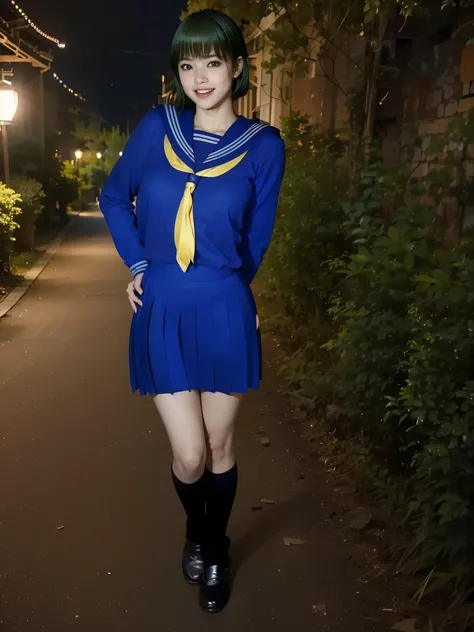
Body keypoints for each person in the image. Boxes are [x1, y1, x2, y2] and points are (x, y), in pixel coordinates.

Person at [100, 8, 286, 614]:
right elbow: (114, 196)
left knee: (220, 444)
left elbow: (256, 238)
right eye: (187, 65)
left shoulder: (264, 146)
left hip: (223, 304)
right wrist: (138, 264)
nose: (199, 78)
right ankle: (196, 533)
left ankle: (215, 549)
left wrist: (239, 294)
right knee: (189, 453)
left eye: (212, 62)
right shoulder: (158, 127)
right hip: (162, 306)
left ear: (237, 67)